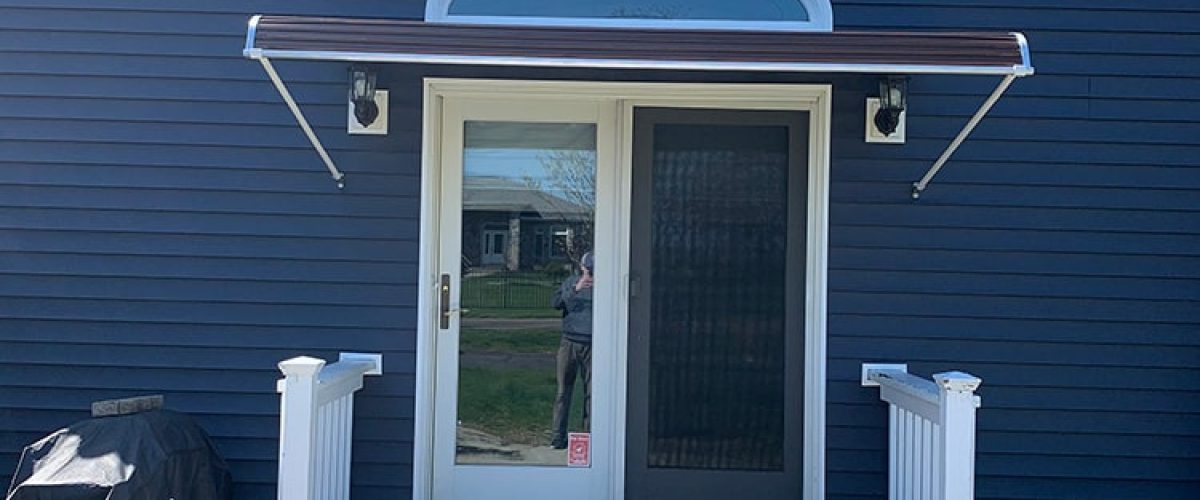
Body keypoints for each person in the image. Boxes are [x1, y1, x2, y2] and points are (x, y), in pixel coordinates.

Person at [550, 251, 593, 449]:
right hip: (569, 342)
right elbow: (556, 304)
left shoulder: (606, 286)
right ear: (582, 268)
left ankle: (590, 438)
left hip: (594, 344)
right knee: (563, 391)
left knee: (592, 393)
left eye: (593, 271)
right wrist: (576, 289)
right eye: (588, 270)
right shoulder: (571, 282)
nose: (590, 275)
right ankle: (558, 437)